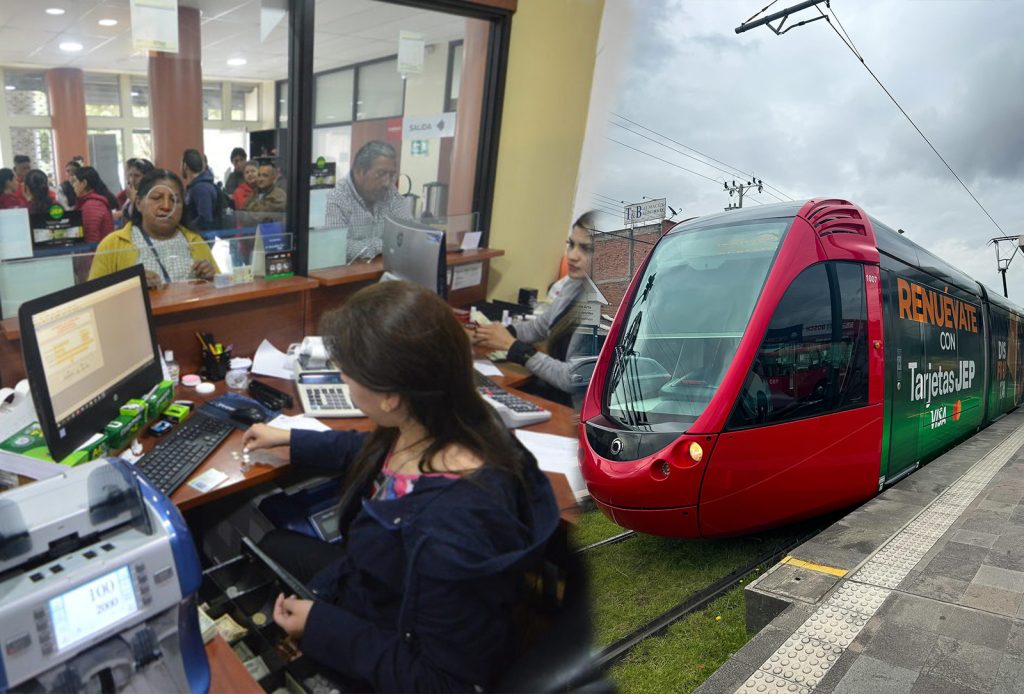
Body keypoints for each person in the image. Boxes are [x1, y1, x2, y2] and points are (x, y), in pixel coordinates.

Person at [242, 281, 559, 692]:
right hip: (372, 587)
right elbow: (374, 451)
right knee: (272, 546)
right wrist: (291, 440)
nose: (342, 377)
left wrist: (323, 627)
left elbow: (440, 682)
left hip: (390, 641)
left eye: (348, 370)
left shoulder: (452, 532)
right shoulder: (444, 420)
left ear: (390, 396)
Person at [471, 211, 602, 406]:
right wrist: (494, 334)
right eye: (571, 244)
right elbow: (539, 327)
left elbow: (572, 379)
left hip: (574, 411)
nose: (572, 256)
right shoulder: (575, 284)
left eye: (586, 248)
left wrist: (514, 348)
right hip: (552, 392)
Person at [88, 169, 218, 286]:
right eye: (157, 198)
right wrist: (129, 285)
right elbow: (93, 298)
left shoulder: (196, 242)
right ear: (139, 203)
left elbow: (222, 287)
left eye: (175, 200)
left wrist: (212, 278)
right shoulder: (112, 245)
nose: (167, 206)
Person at [324, 140, 411, 262]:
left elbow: (408, 235)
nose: (387, 183)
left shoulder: (390, 191)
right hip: (348, 276)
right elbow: (338, 247)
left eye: (391, 175)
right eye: (381, 174)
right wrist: (385, 245)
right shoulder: (338, 196)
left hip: (383, 270)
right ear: (359, 171)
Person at [71, 166, 117, 244]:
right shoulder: (90, 203)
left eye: (75, 181)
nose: (73, 185)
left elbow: (91, 240)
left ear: (84, 183)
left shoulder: (92, 206)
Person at [181, 148, 220, 230]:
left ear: (185, 166)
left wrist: (187, 228)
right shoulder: (195, 187)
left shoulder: (201, 189)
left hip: (201, 239)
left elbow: (205, 219)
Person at [114, 158, 155, 225]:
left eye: (137, 176)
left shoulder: (151, 195)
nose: (132, 180)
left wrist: (134, 200)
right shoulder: (132, 192)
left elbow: (142, 218)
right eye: (130, 175)